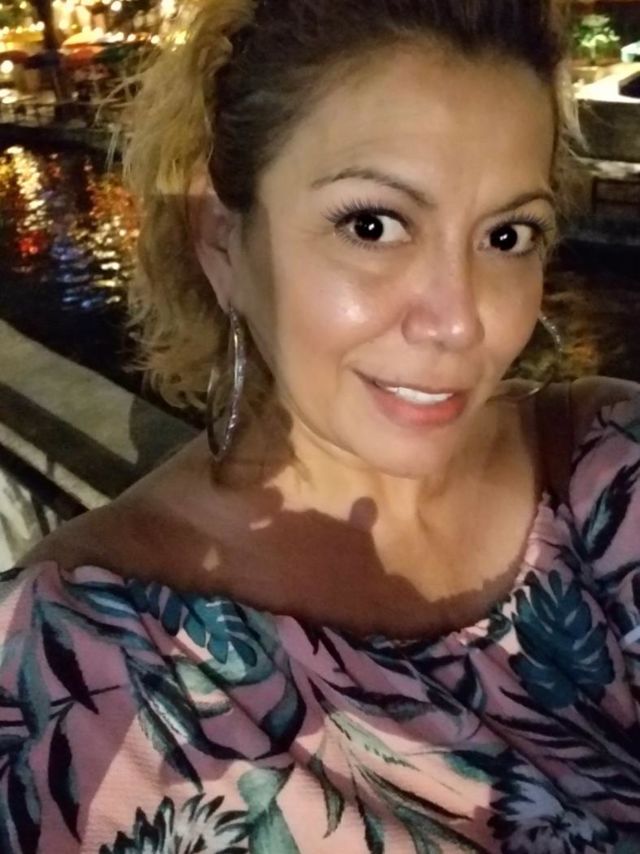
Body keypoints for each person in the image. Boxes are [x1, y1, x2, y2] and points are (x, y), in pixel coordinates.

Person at [2, 0, 640, 850]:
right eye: (372, 225)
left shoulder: (608, 462)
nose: (461, 321)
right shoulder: (76, 666)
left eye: (507, 235)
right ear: (222, 242)